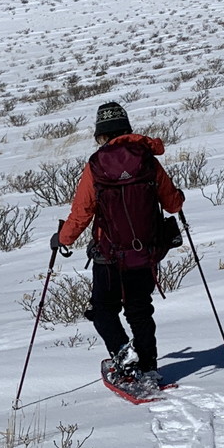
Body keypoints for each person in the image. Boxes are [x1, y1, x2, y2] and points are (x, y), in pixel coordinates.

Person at [51, 101, 186, 390]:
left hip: (108, 255)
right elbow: (173, 203)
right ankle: (148, 368)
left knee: (103, 309)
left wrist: (62, 239)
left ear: (101, 134)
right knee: (139, 310)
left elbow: (82, 211)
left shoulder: (96, 164)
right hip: (146, 253)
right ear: (127, 128)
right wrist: (179, 197)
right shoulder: (147, 159)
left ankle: (124, 359)